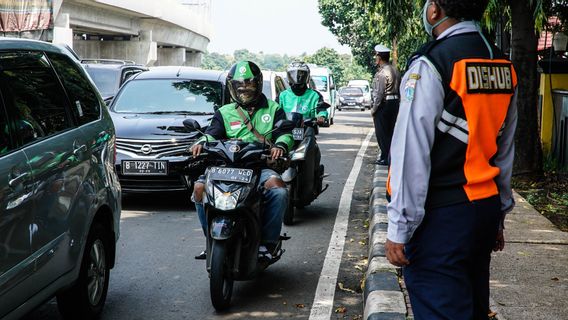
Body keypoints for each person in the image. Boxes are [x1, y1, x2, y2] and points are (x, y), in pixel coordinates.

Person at [384, 0, 517, 319]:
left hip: (441, 216)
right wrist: (499, 213)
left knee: (440, 306)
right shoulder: (502, 65)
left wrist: (399, 226)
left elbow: (410, 151)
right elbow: (504, 145)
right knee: (472, 308)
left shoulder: (433, 63)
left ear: (435, 11)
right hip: (482, 210)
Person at [190, 60, 293, 260]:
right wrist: (200, 142)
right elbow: (212, 134)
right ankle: (210, 240)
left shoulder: (273, 109)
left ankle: (267, 244)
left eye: (249, 84)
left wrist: (280, 146)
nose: (244, 89)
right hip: (225, 166)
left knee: (279, 191)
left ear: (258, 84)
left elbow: (284, 133)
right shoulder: (224, 112)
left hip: (259, 166)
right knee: (199, 189)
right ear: (232, 87)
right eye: (239, 85)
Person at [370, 44, 400, 166]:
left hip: (384, 104)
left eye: (376, 56)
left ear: (379, 58)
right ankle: (387, 156)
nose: (375, 59)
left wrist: (374, 109)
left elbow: (379, 93)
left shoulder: (382, 73)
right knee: (391, 131)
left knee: (382, 133)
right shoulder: (395, 70)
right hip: (395, 103)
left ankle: (386, 157)